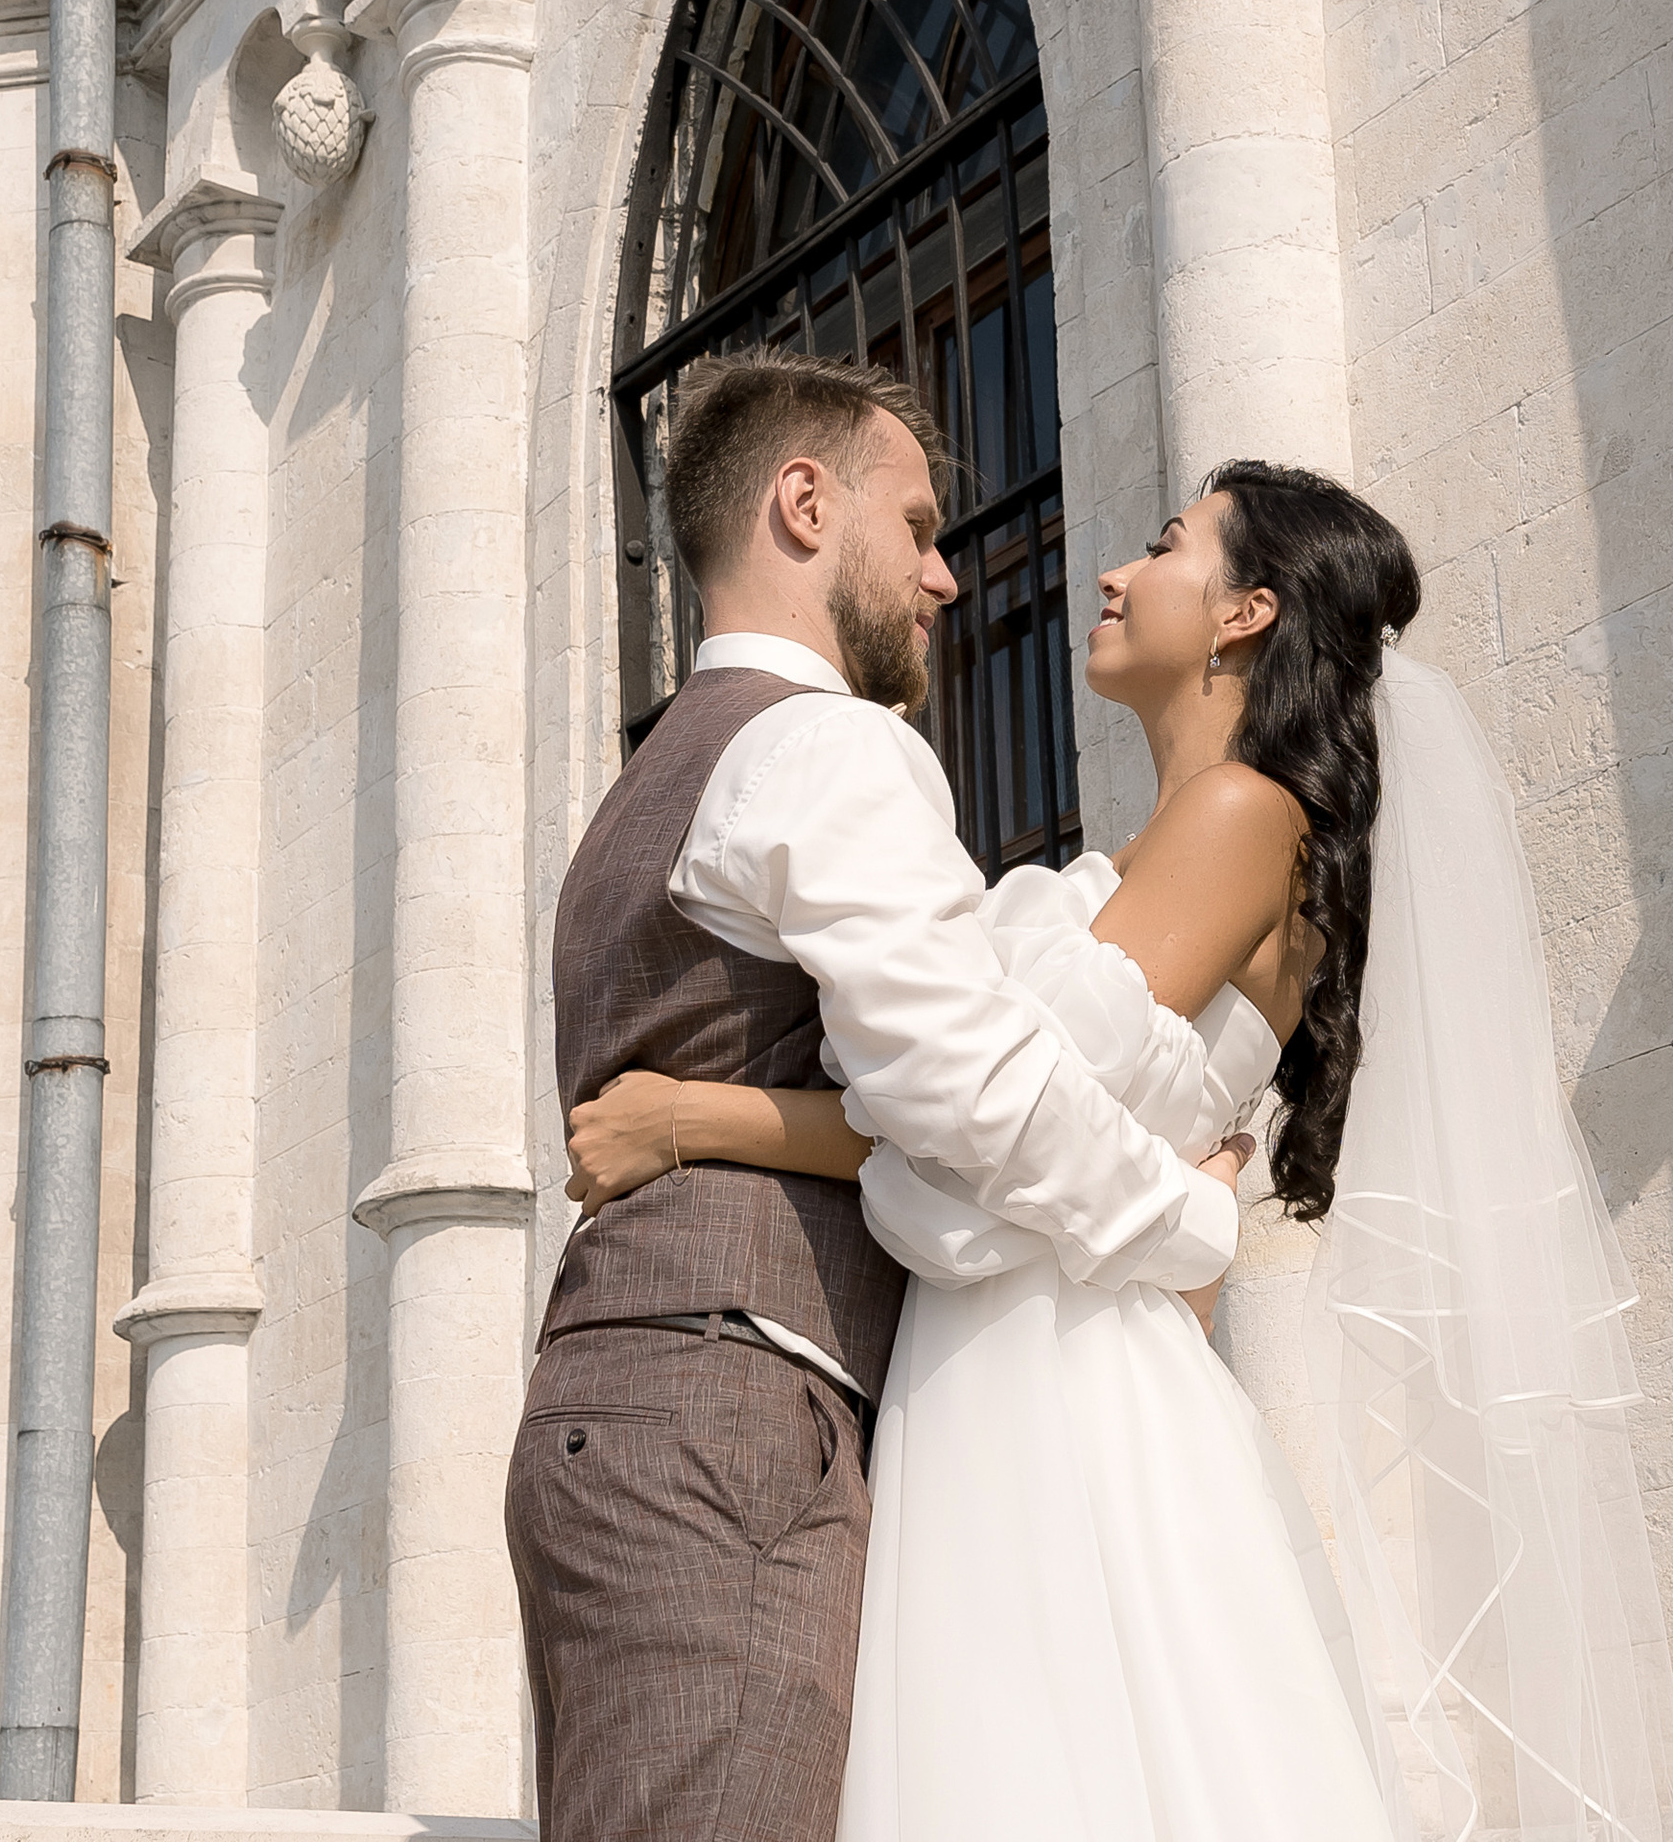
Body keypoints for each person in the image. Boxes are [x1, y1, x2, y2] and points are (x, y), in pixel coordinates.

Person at [568, 458, 1673, 1842]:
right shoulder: (1179, 848)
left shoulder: (1242, 816)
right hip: (1019, 1355)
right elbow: (989, 1110)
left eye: (1167, 547)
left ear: (1244, 615)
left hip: (1050, 1379)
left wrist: (699, 1118)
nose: (1112, 575)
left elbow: (969, 1138)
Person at [505, 352, 1245, 1842]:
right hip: (726, 1419)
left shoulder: (646, 792)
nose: (946, 577)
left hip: (653, 1400)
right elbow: (961, 1077)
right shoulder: (827, 744)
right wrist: (1188, 1221)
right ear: (801, 506)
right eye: (912, 527)